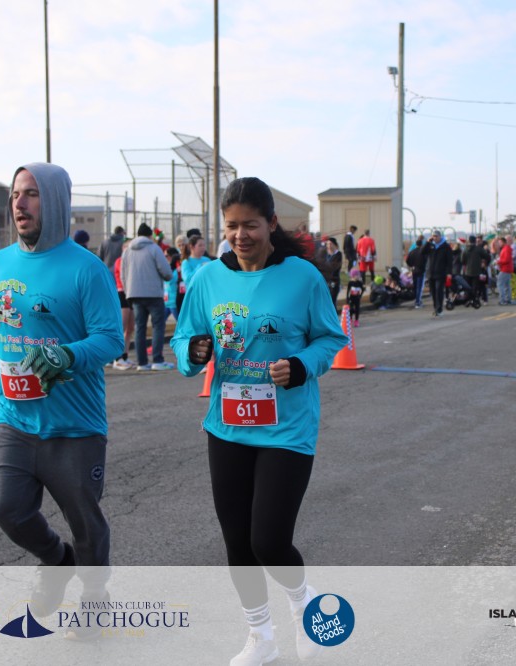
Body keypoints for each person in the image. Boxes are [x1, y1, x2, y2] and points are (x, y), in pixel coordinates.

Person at [169, 177, 346, 666]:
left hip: (287, 429)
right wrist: (193, 351)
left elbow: (331, 338)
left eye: (250, 225)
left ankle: (303, 604)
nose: (239, 235)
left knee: (268, 540)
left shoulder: (302, 277)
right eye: (231, 226)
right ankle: (260, 636)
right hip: (227, 427)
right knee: (237, 542)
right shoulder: (207, 279)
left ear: (271, 224)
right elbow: (183, 339)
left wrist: (302, 366)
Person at [0, 162, 123, 635]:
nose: (20, 203)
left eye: (31, 193)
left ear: (54, 201)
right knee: (5, 507)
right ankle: (57, 560)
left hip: (75, 427)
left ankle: (94, 599)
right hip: (15, 421)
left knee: (86, 525)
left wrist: (66, 356)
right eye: (16, 194)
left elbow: (111, 339)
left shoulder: (87, 269)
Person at [121, 223, 174, 371]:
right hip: (153, 294)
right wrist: (166, 276)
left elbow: (123, 274)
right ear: (150, 235)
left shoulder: (127, 251)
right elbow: (166, 272)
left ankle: (142, 363)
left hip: (134, 294)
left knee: (140, 328)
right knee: (158, 326)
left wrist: (128, 291)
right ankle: (157, 360)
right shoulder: (154, 248)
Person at [110, 238, 136, 370]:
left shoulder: (133, 261)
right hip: (122, 293)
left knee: (130, 328)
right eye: (127, 247)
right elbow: (122, 276)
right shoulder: (120, 261)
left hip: (131, 294)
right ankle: (116, 358)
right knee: (122, 326)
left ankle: (124, 355)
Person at [425, 230, 451, 317]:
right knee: (433, 292)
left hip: (441, 273)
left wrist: (449, 273)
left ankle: (439, 309)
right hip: (431, 273)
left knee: (439, 290)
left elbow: (449, 261)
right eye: (433, 236)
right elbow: (422, 252)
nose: (434, 238)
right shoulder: (430, 246)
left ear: (440, 237)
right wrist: (427, 243)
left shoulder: (446, 246)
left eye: (436, 236)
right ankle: (435, 308)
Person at [461, 234, 490, 305]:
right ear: (475, 241)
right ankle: (474, 300)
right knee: (475, 287)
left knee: (468, 287)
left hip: (467, 271)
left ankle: (468, 300)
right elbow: (487, 256)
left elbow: (462, 260)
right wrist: (485, 264)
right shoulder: (479, 249)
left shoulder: (465, 250)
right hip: (477, 271)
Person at [316, 237, 342, 306]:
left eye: (330, 244)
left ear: (335, 245)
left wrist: (324, 266)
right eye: (327, 244)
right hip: (325, 282)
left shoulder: (338, 254)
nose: (329, 246)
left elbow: (333, 268)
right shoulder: (326, 255)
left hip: (334, 282)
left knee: (332, 302)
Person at [406, 235, 427, 309]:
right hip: (421, 270)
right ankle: (418, 302)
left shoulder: (412, 252)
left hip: (414, 270)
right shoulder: (423, 252)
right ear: (421, 244)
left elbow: (407, 261)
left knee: (415, 286)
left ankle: (416, 300)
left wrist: (411, 265)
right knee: (419, 287)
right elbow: (426, 261)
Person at [495, 235, 514, 305]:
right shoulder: (506, 248)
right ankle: (508, 299)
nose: (499, 244)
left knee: (500, 284)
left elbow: (506, 259)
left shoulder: (506, 249)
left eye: (500, 242)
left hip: (505, 269)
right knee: (506, 285)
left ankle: (502, 300)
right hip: (507, 269)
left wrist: (498, 262)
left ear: (503, 242)